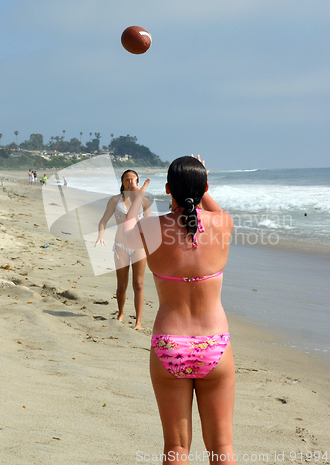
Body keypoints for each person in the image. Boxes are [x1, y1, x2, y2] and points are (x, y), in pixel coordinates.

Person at [122, 156, 235, 465]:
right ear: (206, 187)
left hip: (169, 344)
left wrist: (138, 196)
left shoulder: (150, 229)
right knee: (222, 448)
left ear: (168, 189)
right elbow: (210, 209)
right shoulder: (223, 223)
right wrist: (200, 185)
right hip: (215, 344)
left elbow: (126, 229)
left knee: (176, 448)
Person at [94, 170, 151, 329]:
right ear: (122, 182)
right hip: (120, 246)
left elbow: (149, 224)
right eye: (127, 180)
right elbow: (103, 220)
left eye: (133, 180)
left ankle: (138, 321)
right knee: (121, 284)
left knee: (138, 283)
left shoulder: (144, 201)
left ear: (138, 182)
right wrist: (101, 235)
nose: (131, 183)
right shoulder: (115, 200)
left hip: (138, 246)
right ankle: (121, 313)